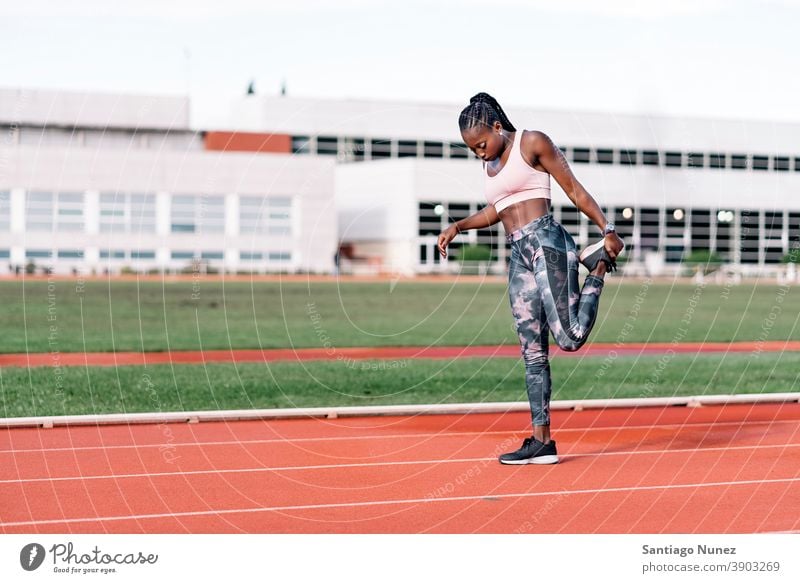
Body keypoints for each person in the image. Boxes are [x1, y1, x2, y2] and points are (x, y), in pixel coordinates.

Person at [438, 93, 625, 465]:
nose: (478, 153)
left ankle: (598, 266)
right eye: (471, 150)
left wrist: (608, 229)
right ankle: (542, 441)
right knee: (532, 352)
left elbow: (572, 188)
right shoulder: (489, 164)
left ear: (496, 127)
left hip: (547, 244)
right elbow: (498, 209)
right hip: (518, 255)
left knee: (569, 338)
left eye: (481, 144)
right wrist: (458, 225)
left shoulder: (532, 142)